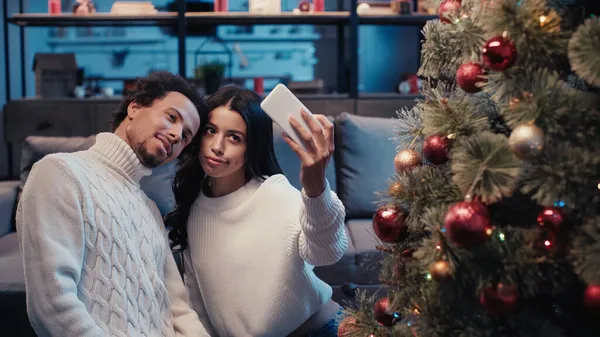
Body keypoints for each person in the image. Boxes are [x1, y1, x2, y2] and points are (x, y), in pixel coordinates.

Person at [16, 72, 212, 337]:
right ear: (135, 108)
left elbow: (179, 311)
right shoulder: (60, 173)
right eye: (171, 117)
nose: (177, 135)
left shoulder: (151, 210)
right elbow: (53, 307)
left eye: (186, 136)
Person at [166, 85, 348, 337]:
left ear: (252, 146)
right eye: (211, 131)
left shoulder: (274, 193)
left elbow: (327, 253)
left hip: (318, 330)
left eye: (234, 137)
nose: (217, 146)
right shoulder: (193, 207)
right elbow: (198, 301)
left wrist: (316, 188)